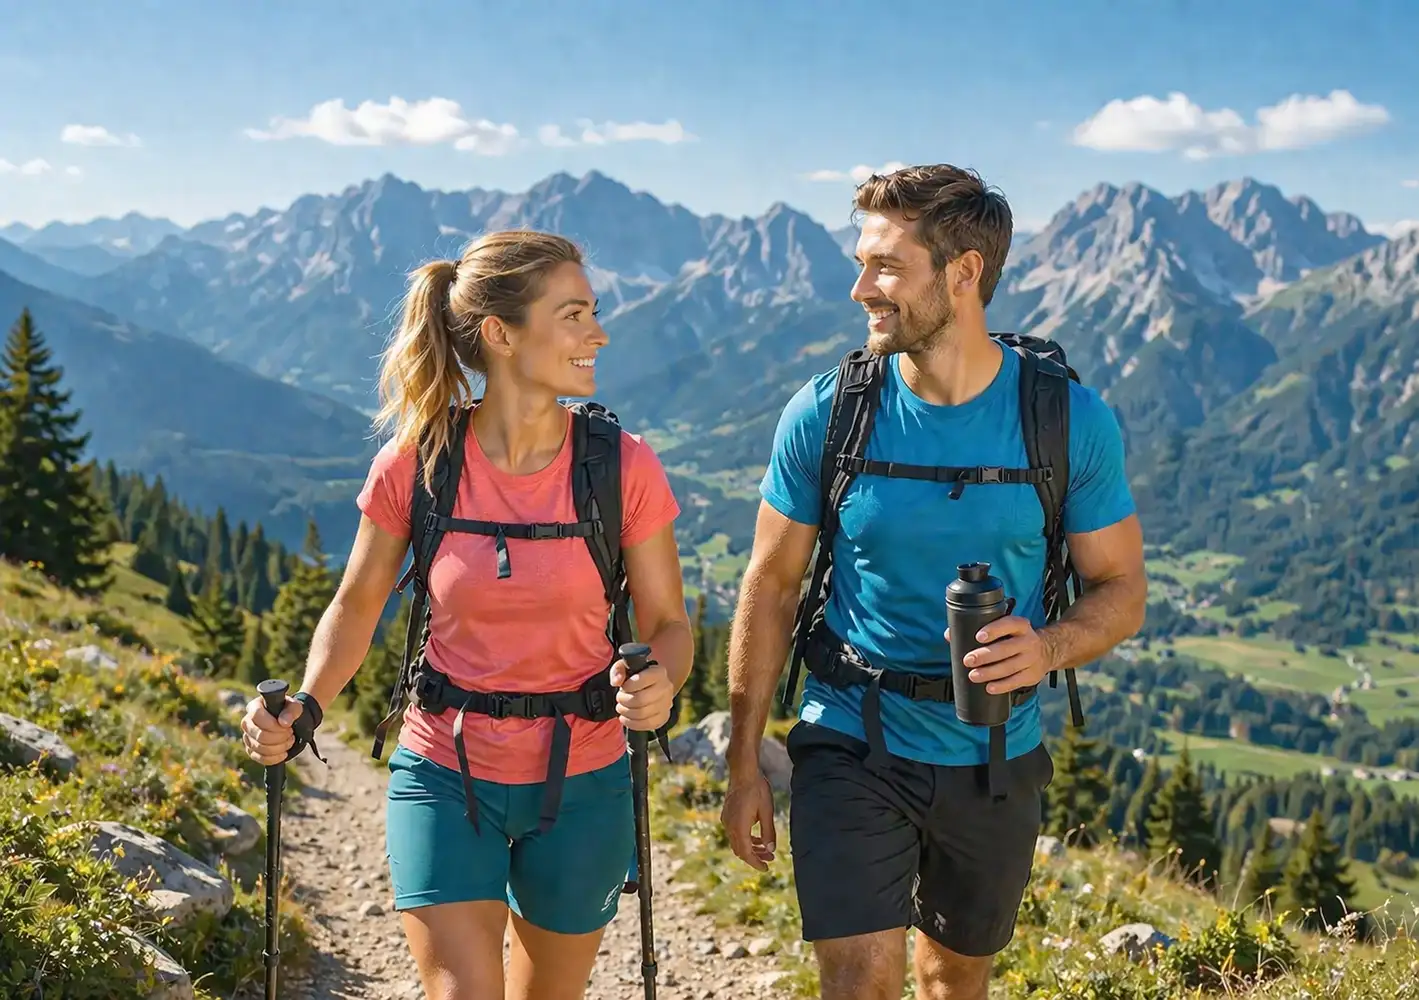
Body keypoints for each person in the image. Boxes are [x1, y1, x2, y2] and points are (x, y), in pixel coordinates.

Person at [719, 165, 1146, 1000]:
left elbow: (1121, 589)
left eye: (884, 266)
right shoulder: (829, 410)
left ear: (962, 273)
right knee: (860, 976)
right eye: (861, 262)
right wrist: (743, 763)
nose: (858, 289)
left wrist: (1047, 646)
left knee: (953, 979)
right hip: (849, 735)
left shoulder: (1066, 421)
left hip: (993, 751)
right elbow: (768, 588)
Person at [238, 229, 693, 999]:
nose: (599, 333)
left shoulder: (620, 465)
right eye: (574, 314)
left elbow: (669, 625)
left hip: (583, 778)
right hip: (443, 773)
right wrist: (307, 705)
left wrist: (663, 683)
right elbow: (355, 605)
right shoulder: (419, 461)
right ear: (501, 334)